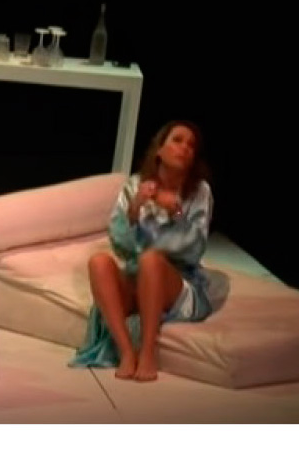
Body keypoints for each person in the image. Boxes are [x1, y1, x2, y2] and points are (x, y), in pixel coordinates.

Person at [70, 120, 229, 382]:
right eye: (177, 140)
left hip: (177, 282)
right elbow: (120, 245)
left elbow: (194, 249)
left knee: (151, 260)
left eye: (191, 145)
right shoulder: (136, 185)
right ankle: (126, 351)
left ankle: (147, 353)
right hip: (136, 275)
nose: (185, 148)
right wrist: (134, 209)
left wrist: (176, 212)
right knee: (99, 262)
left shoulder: (199, 191)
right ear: (159, 150)